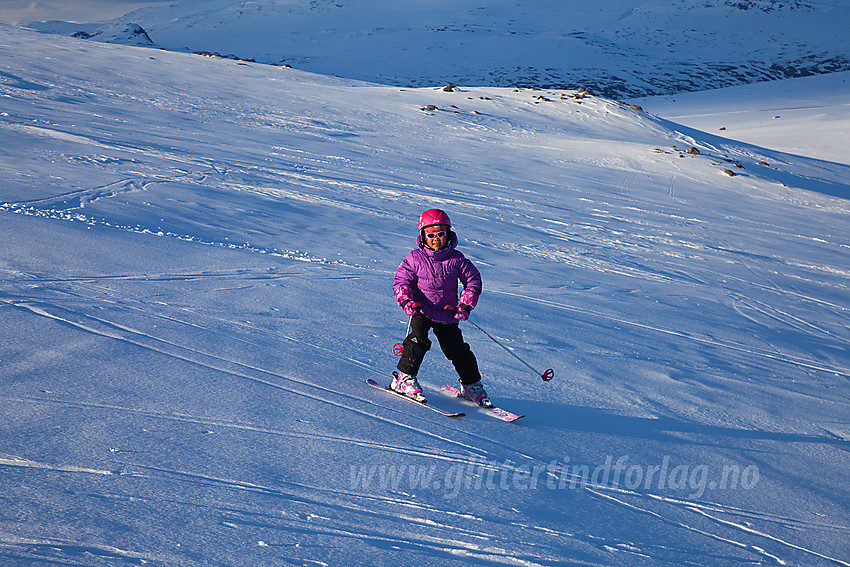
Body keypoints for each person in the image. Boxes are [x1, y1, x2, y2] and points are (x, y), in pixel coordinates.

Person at [391, 208, 489, 405]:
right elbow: (401, 281)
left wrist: (465, 304)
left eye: (441, 234)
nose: (436, 239)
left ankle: (471, 385)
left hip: (447, 312)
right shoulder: (415, 258)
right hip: (421, 309)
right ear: (423, 236)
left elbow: (473, 280)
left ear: (448, 234)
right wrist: (406, 301)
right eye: (431, 235)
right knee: (417, 341)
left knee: (458, 350)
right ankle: (403, 379)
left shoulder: (457, 260)